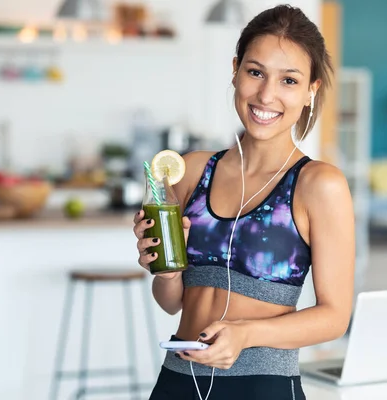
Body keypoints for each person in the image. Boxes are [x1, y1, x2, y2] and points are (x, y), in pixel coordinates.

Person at [133, 4, 355, 399]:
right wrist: (165, 273)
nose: (266, 95)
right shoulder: (192, 172)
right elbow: (172, 303)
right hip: (178, 381)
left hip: (264, 387)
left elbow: (335, 317)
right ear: (235, 70)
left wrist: (246, 334)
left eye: (289, 80)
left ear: (311, 91)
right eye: (255, 72)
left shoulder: (318, 185)